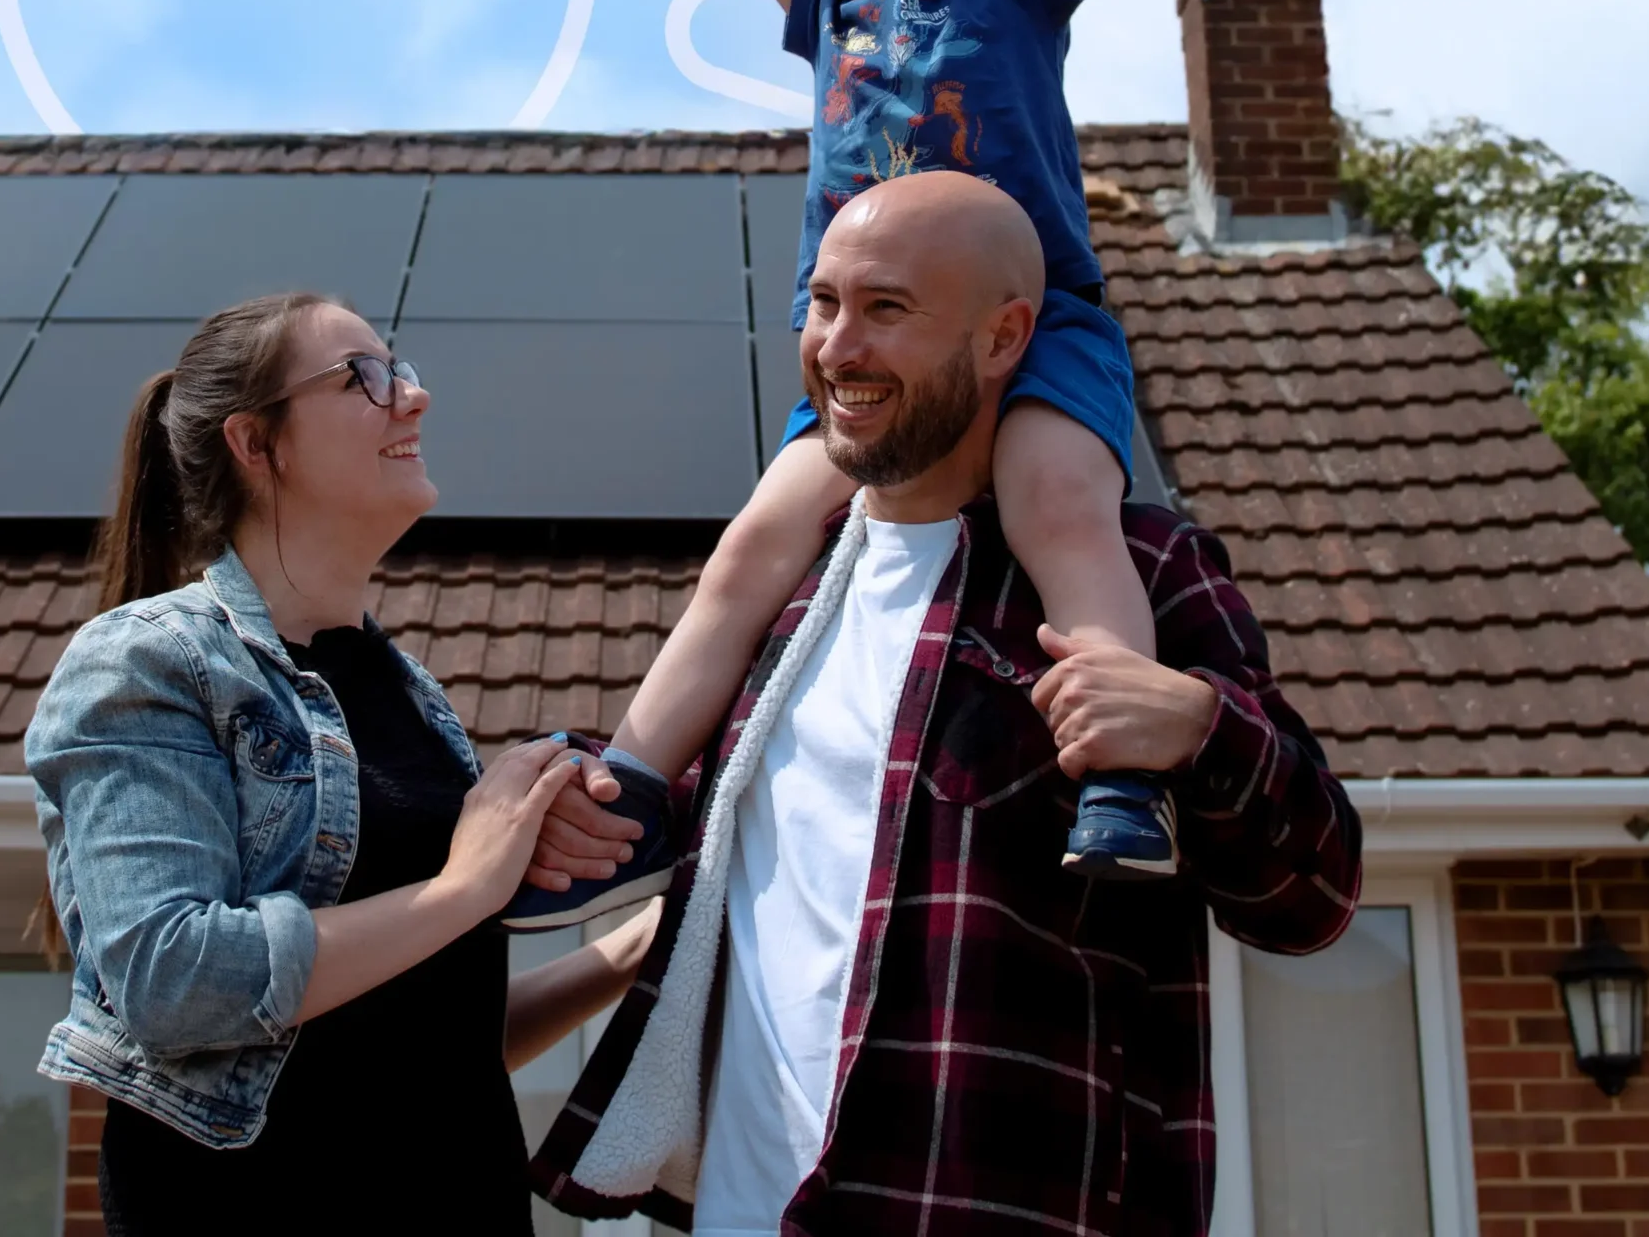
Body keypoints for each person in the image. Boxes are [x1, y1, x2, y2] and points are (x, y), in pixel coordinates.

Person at [530, 173, 1360, 1234]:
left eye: (886, 309)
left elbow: (1320, 898)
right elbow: (699, 853)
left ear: (1005, 335)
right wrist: (563, 809)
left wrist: (1201, 730)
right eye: (823, 303)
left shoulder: (1138, 573)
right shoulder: (781, 599)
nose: (836, 348)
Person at [527, 0, 1192, 911]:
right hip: (868, 344)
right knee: (752, 545)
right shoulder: (828, 7)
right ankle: (643, 785)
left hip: (1032, 316)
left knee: (1063, 502)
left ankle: (1122, 773)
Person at [26, 293, 655, 1237]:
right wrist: (462, 888)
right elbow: (170, 975)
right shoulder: (151, 661)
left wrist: (634, 948)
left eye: (397, 369)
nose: (416, 396)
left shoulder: (410, 696)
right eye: (365, 376)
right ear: (256, 442)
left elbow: (426, 1035)